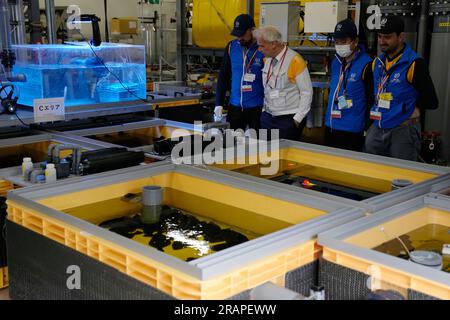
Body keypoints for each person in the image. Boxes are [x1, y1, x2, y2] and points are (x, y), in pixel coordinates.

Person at [365, 16, 438, 161]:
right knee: (374, 169)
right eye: (379, 37)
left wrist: (415, 108)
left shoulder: (414, 64)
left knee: (402, 175)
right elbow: (370, 93)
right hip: (379, 125)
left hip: (403, 129)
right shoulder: (377, 63)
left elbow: (432, 101)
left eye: (387, 37)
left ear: (401, 37)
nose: (382, 41)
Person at [255, 26, 313, 140]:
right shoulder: (267, 59)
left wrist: (297, 119)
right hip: (268, 116)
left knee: (284, 155)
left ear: (274, 44)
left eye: (262, 46)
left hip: (287, 119)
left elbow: (307, 92)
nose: (259, 49)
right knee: (266, 153)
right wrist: (264, 112)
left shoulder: (295, 60)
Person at [325, 19, 374, 152]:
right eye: (337, 42)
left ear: (355, 41)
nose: (340, 45)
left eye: (344, 41)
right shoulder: (335, 62)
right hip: (331, 124)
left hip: (352, 130)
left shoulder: (367, 64)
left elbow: (371, 98)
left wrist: (367, 127)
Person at [214, 14, 265, 131]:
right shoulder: (231, 47)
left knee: (258, 146)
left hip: (257, 108)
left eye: (242, 34)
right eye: (237, 34)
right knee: (231, 144)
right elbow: (223, 77)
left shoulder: (262, 48)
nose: (239, 38)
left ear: (252, 30)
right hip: (235, 108)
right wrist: (218, 103)